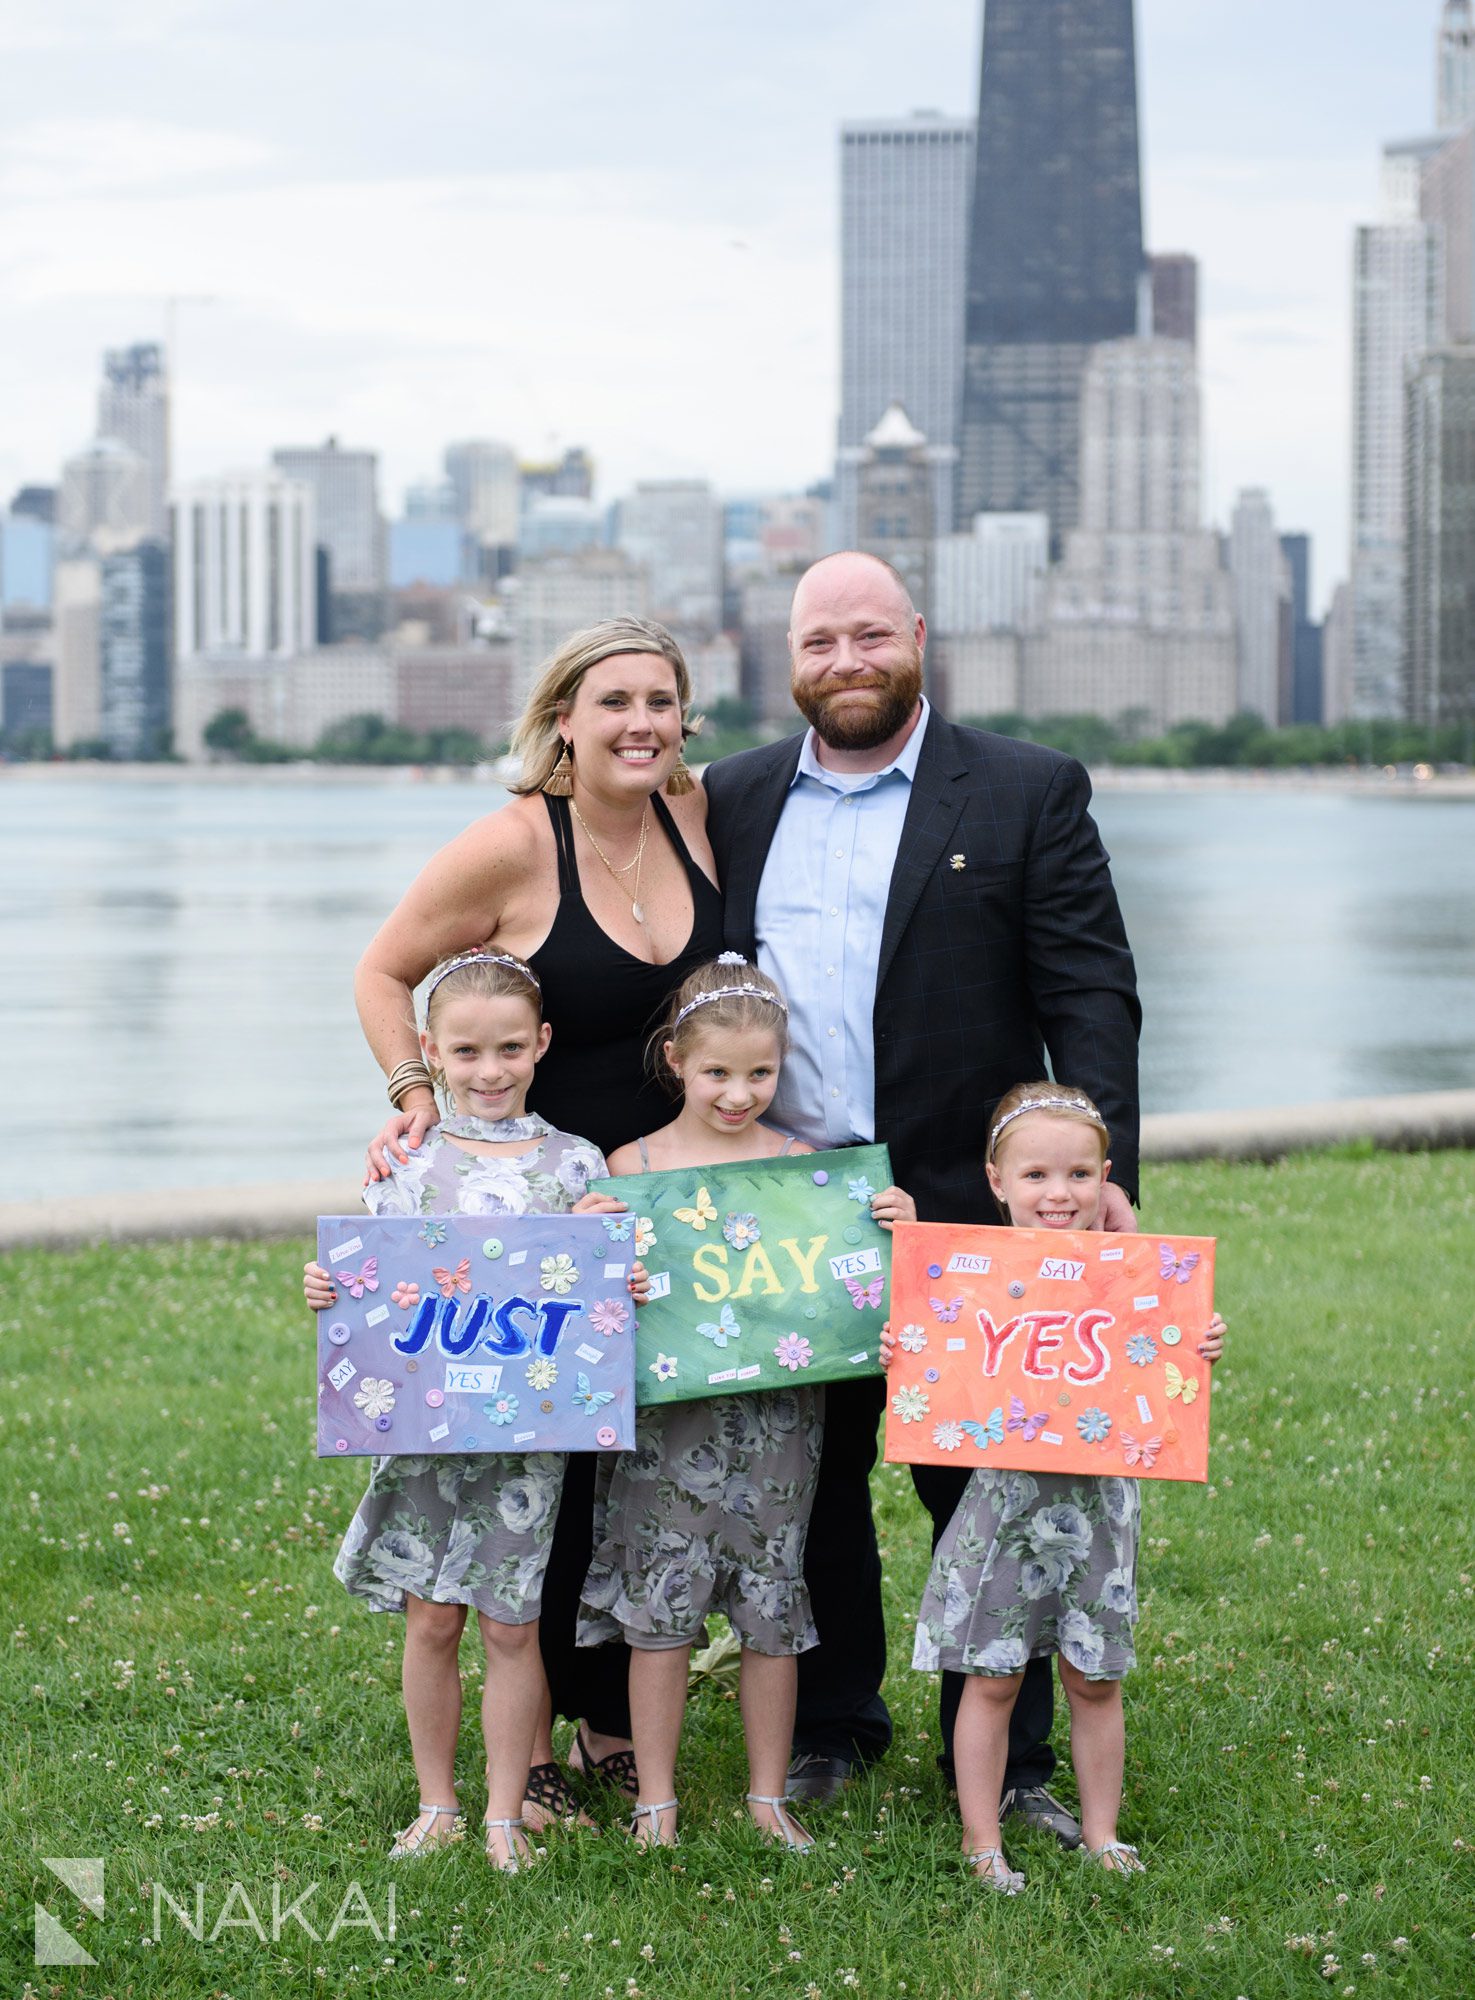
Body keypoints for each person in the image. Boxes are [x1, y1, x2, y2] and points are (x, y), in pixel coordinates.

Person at [701, 550, 1141, 1838]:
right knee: (813, 1478)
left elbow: (1090, 993)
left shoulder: (1022, 789)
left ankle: (1010, 1761)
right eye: (818, 640)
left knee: (986, 1485)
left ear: (917, 638)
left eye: (868, 636)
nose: (845, 661)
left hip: (970, 1211)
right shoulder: (726, 797)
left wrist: (1098, 1178)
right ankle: (835, 1723)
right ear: (786, 656)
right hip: (791, 1208)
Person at [353, 619, 724, 1818]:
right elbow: (382, 968)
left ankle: (612, 1720)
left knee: (638, 1465)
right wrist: (416, 1098)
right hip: (537, 1213)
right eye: (612, 700)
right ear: (561, 716)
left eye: (660, 700)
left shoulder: (696, 815)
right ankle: (544, 1753)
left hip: (663, 1193)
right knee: (544, 1462)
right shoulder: (514, 841)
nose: (639, 723)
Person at [304, 950, 649, 1867]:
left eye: (506, 1049)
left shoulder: (574, 1163)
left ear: (540, 1044)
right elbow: (375, 1280)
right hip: (423, 1429)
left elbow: (598, 1295)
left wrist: (625, 1276)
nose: (488, 1071)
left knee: (508, 1622)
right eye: (464, 1052)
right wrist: (328, 1287)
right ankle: (436, 1803)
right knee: (431, 1617)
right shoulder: (406, 1160)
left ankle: (503, 1813)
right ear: (430, 1050)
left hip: (527, 1436)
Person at [576, 956, 916, 1848]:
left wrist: (892, 1230)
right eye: (717, 1072)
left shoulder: (810, 1172)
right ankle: (656, 1798)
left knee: (773, 1598)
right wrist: (596, 1251)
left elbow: (856, 1289)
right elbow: (595, 1307)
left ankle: (768, 1797)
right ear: (676, 1061)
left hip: (778, 1423)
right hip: (666, 1421)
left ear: (783, 1066)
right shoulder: (629, 1168)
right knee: (660, 1605)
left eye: (759, 1073)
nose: (738, 1092)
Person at [884, 1084, 1226, 1890]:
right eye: (1035, 1175)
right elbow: (931, 1365)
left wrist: (1194, 1337)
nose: (1058, 1193)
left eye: (1078, 1174)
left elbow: (1161, 1360)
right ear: (995, 1181)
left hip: (1098, 1508)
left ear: (1105, 1176)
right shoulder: (961, 1277)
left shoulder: (1133, 1277)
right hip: (1004, 1507)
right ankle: (980, 1839)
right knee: (992, 1674)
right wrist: (905, 1340)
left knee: (1094, 1677)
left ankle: (1102, 1833)